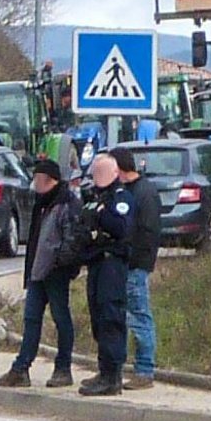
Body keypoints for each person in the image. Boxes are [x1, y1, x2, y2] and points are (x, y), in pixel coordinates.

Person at [0, 158, 82, 389]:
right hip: (37, 272)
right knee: (31, 320)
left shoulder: (67, 204)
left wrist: (57, 263)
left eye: (37, 180)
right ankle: (21, 369)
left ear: (48, 181)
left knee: (61, 319)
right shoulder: (41, 203)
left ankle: (63, 368)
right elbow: (34, 240)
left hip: (55, 273)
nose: (34, 184)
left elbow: (72, 241)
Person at [80, 155, 135, 397]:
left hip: (112, 264)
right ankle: (104, 370)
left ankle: (113, 376)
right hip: (96, 263)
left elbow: (121, 228)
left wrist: (101, 215)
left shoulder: (121, 198)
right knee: (98, 317)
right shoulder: (95, 197)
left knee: (111, 316)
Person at [113, 148, 161, 390]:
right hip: (125, 264)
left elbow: (147, 232)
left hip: (136, 265)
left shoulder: (144, 193)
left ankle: (145, 370)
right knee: (128, 316)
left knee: (140, 315)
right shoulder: (128, 191)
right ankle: (132, 367)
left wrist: (133, 257)